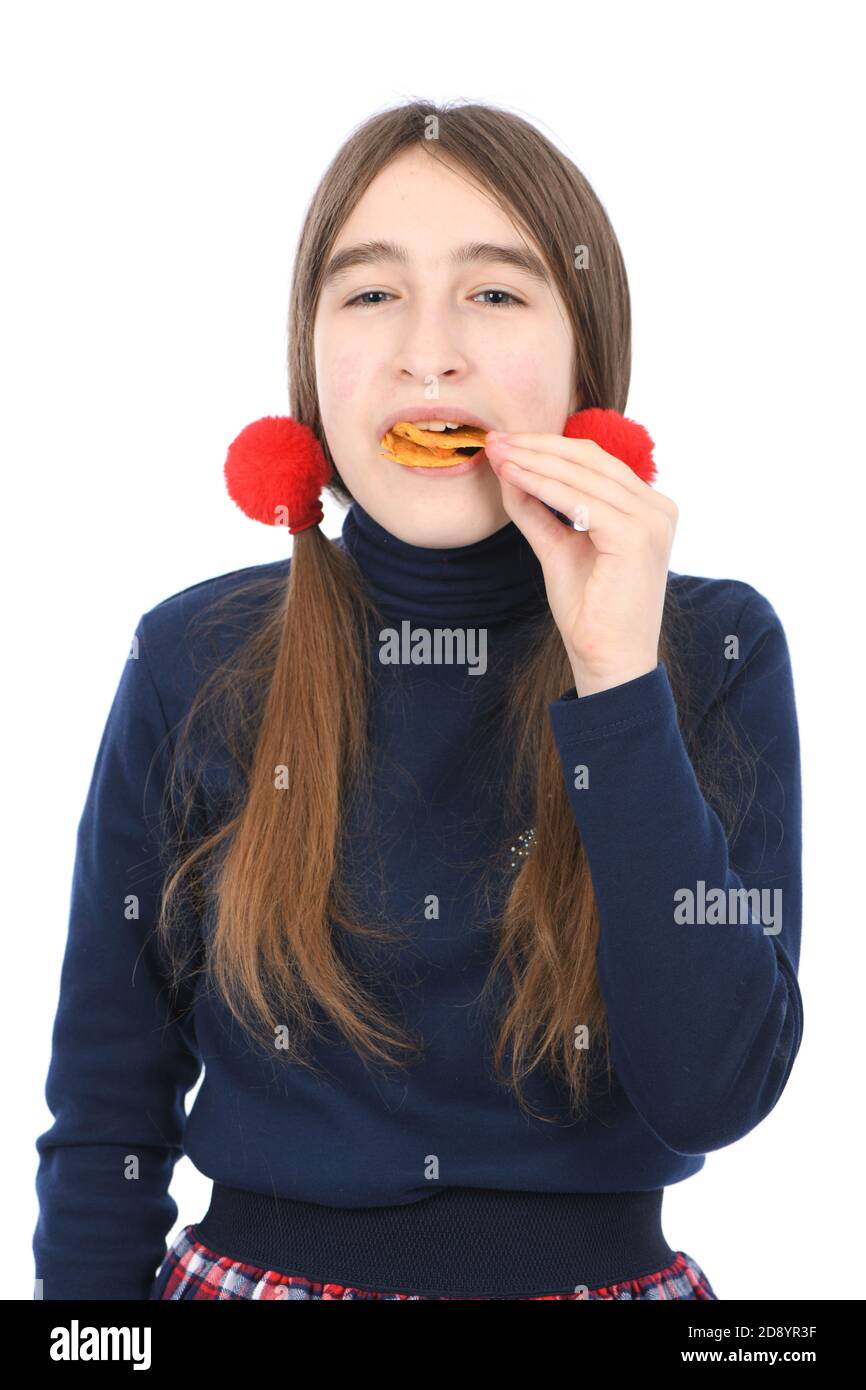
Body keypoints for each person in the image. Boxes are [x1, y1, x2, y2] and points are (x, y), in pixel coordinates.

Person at [33, 99, 802, 1301]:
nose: (427, 352)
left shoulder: (713, 647)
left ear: (586, 365)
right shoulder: (192, 654)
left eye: (494, 294)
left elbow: (712, 1089)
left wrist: (617, 678)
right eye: (370, 292)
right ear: (310, 367)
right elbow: (103, 1112)